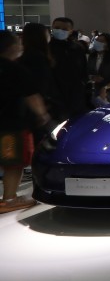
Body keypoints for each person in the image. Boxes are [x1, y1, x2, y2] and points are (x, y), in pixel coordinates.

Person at [0, 31, 52, 212]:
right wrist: (42, 115)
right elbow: (32, 96)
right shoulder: (16, 70)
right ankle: (9, 199)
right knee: (13, 164)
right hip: (12, 125)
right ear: (12, 47)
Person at [49, 16, 89, 120]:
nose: (59, 31)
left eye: (64, 29)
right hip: (54, 98)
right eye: (57, 27)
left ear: (71, 31)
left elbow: (83, 70)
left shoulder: (77, 48)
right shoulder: (47, 48)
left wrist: (82, 84)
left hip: (76, 95)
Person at [18, 23, 59, 123]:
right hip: (37, 109)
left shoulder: (24, 56)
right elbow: (38, 87)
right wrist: (42, 111)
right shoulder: (37, 58)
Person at [87, 32, 110, 106]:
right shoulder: (92, 56)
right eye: (96, 40)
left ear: (109, 44)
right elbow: (87, 71)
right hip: (95, 91)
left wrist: (105, 87)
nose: (97, 43)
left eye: (101, 41)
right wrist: (92, 77)